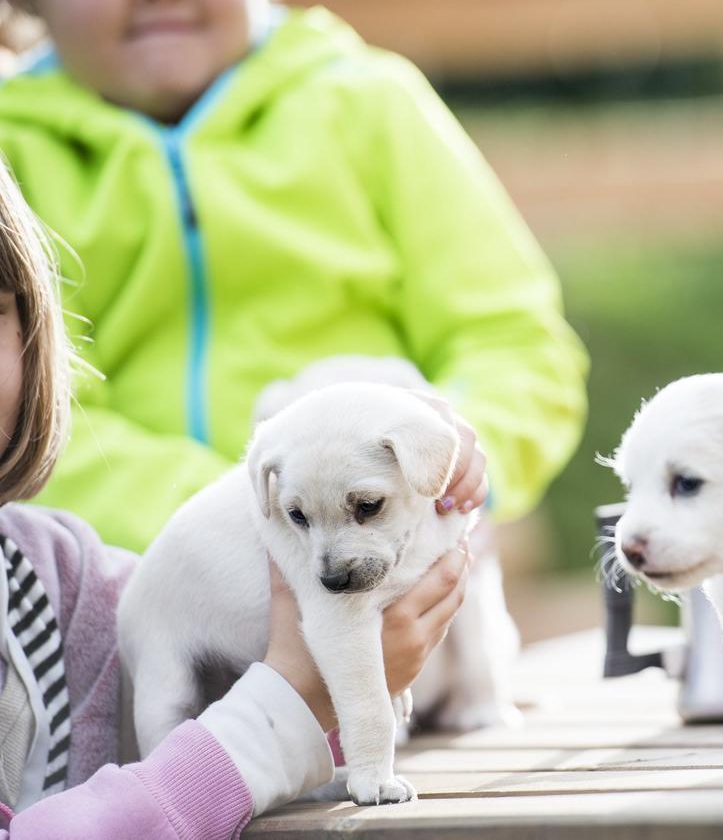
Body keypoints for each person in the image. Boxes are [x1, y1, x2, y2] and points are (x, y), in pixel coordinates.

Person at [0, 0, 588, 554]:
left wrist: (449, 465)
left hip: (375, 552)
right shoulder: (12, 152)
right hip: (127, 587)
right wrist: (243, 519)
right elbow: (26, 414)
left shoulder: (370, 104)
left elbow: (513, 343)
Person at [0, 159, 470, 834]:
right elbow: (246, 730)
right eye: (300, 519)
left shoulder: (67, 582)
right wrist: (287, 707)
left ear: (34, 333)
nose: (328, 558)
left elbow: (251, 719)